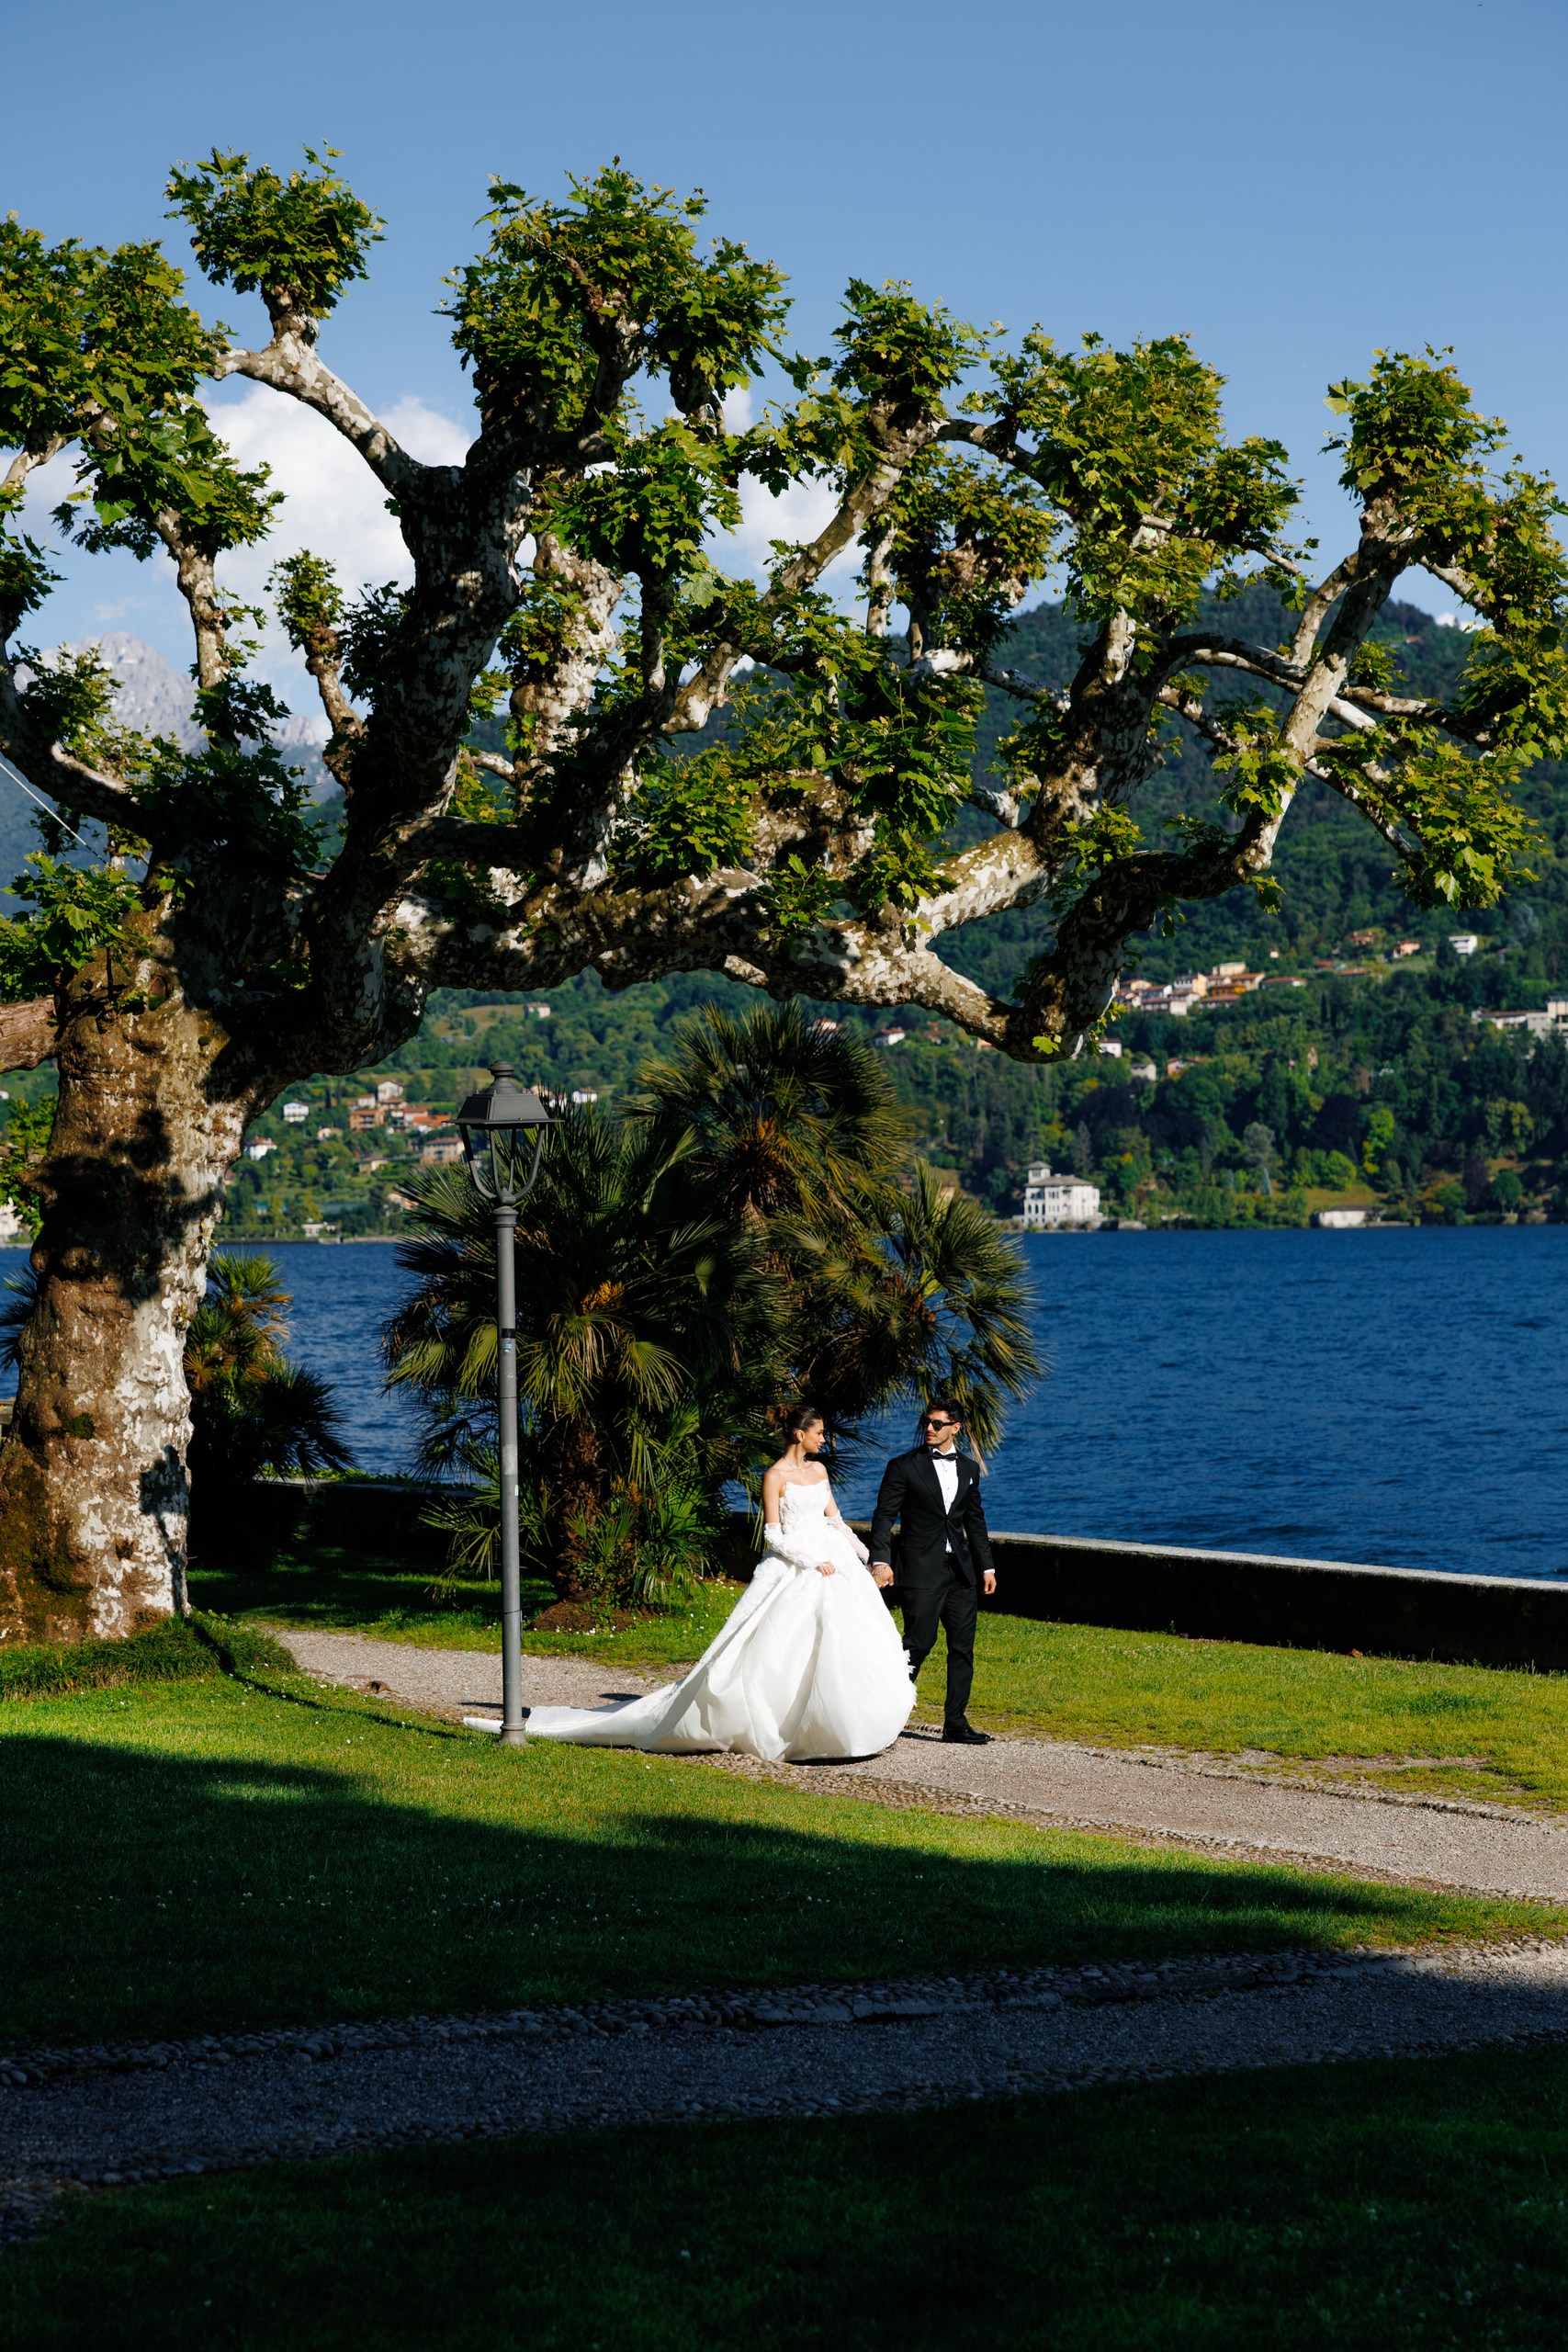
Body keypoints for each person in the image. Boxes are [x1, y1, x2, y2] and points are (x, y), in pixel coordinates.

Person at [520, 1403, 915, 1760]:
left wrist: (860, 1553)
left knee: (848, 1640)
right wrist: (811, 1560)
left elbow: (834, 1517)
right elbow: (774, 1536)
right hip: (797, 1561)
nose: (823, 1439)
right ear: (800, 1435)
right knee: (777, 1645)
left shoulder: (819, 1470)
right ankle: (783, 1722)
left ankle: (851, 1720)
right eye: (819, 1433)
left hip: (833, 1557)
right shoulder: (775, 1475)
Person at [868, 1397, 996, 1745]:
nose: (929, 1428)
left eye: (938, 1424)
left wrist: (986, 1566)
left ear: (955, 1428)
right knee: (918, 1643)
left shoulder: (968, 1469)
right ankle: (884, 1717)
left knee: (962, 1648)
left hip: (961, 1572)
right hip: (921, 1570)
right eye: (927, 1422)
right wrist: (881, 1560)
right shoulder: (904, 1466)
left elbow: (975, 1521)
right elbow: (883, 1517)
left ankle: (955, 1723)